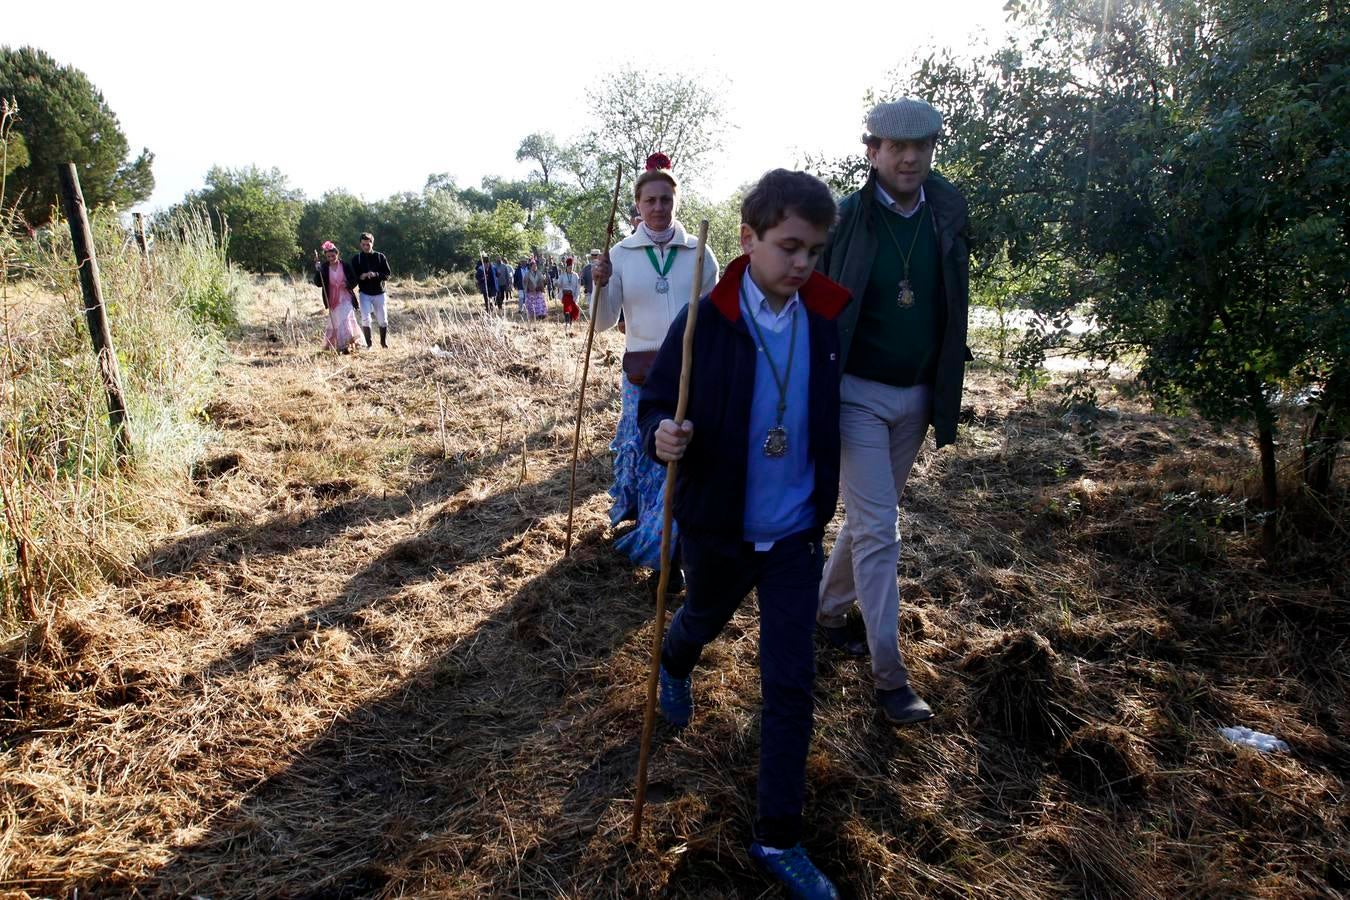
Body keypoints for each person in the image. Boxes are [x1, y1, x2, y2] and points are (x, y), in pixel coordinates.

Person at [639, 169, 847, 900]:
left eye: (815, 251)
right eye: (790, 246)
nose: (802, 264)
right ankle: (674, 660)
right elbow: (657, 406)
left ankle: (777, 836)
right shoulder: (703, 323)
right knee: (703, 616)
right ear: (748, 238)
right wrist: (662, 434)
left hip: (794, 535)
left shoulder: (825, 323)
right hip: (719, 525)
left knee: (791, 685)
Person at [815, 98, 972, 726]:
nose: (910, 157)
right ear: (871, 151)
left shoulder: (948, 211)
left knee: (869, 519)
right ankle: (890, 676)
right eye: (895, 146)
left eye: (922, 146)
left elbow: (951, 300)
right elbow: (817, 307)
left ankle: (826, 614)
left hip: (916, 397)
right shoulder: (846, 220)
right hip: (854, 393)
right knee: (880, 527)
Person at [592, 152, 718, 570]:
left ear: (675, 201)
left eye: (666, 199)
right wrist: (600, 284)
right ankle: (655, 542)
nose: (659, 207)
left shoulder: (700, 253)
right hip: (642, 375)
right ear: (638, 205)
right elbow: (606, 321)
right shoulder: (622, 254)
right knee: (649, 457)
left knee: (687, 457)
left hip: (691, 375)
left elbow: (713, 317)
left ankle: (682, 551)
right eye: (651, 201)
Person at [312, 241, 362, 354]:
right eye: (328, 256)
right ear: (326, 256)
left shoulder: (345, 265)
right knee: (337, 321)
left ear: (337, 254)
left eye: (333, 256)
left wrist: (347, 284)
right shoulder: (324, 267)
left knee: (346, 319)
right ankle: (339, 345)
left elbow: (354, 280)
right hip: (332, 298)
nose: (331, 258)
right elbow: (318, 283)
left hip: (346, 297)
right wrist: (317, 270)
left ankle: (346, 344)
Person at [350, 232, 392, 348]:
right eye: (363, 244)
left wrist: (376, 274)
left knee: (383, 319)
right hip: (364, 293)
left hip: (379, 292)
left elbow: (388, 275)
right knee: (365, 319)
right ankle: (369, 345)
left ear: (372, 244)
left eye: (368, 244)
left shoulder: (380, 256)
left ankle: (383, 343)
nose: (366, 247)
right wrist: (360, 277)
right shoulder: (356, 259)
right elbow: (353, 277)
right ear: (360, 244)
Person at [557, 256, 581, 334]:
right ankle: (567, 322)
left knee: (573, 310)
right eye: (569, 267)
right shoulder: (563, 275)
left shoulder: (575, 275)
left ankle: (569, 322)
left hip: (572, 295)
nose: (571, 269)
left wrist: (576, 296)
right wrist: (556, 283)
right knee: (567, 308)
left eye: (572, 267)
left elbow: (578, 287)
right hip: (565, 296)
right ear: (567, 267)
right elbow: (559, 283)